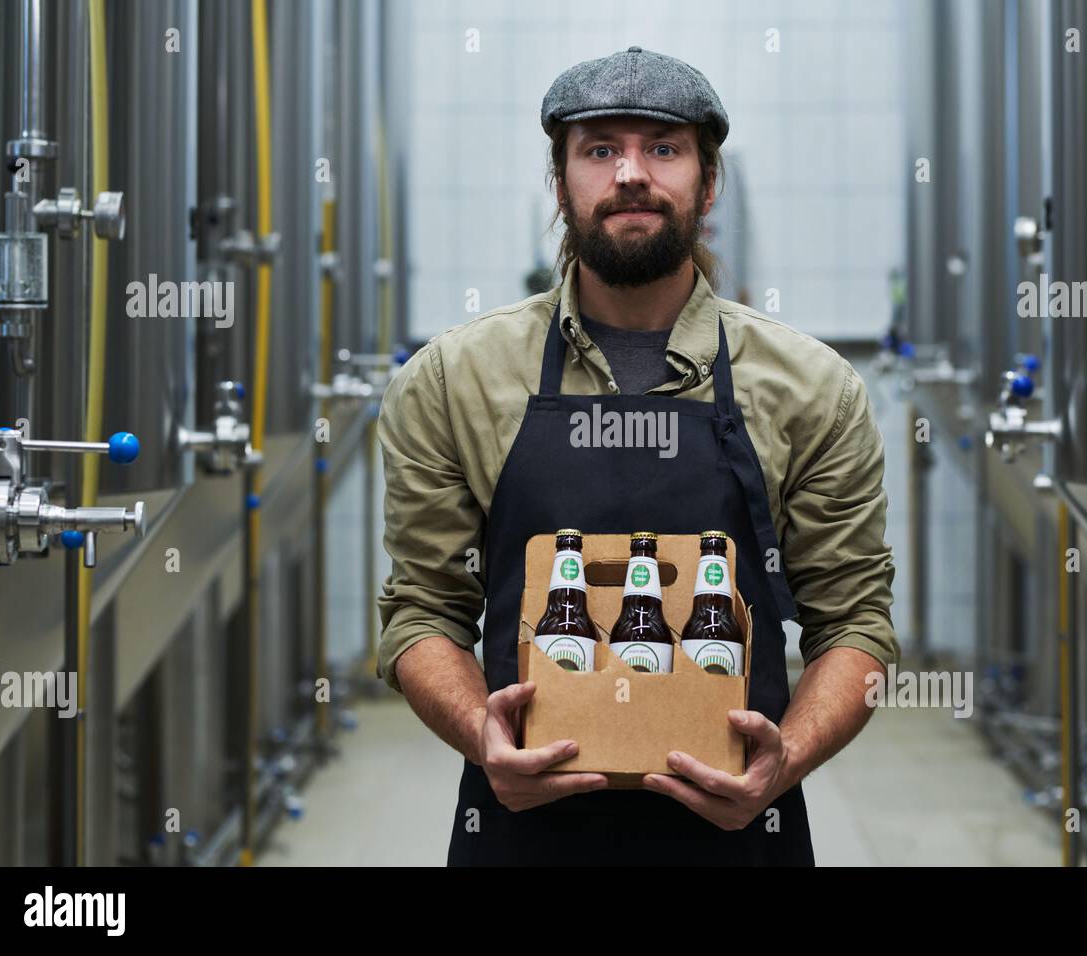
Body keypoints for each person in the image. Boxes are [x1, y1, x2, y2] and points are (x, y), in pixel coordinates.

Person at [377, 46, 898, 865]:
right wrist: (484, 740)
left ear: (708, 180)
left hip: (739, 834)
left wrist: (785, 760)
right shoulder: (455, 380)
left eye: (663, 147)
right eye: (599, 149)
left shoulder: (812, 387)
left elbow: (856, 622)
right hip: (520, 828)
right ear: (560, 185)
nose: (630, 174)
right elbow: (422, 612)